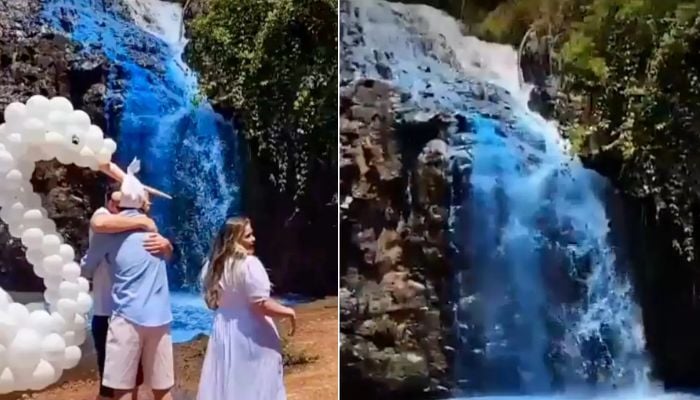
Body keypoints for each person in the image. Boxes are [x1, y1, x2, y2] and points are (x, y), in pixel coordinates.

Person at [81, 160, 175, 400]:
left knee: (121, 388)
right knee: (163, 389)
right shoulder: (152, 229)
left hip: (125, 316)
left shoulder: (109, 232)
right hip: (159, 316)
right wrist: (147, 223)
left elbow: (87, 267)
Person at [197, 217, 296, 400]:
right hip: (251, 331)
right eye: (248, 236)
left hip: (223, 330)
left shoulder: (212, 266)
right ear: (234, 240)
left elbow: (212, 301)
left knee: (228, 382)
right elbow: (260, 304)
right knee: (256, 381)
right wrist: (288, 312)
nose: (254, 239)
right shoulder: (250, 265)